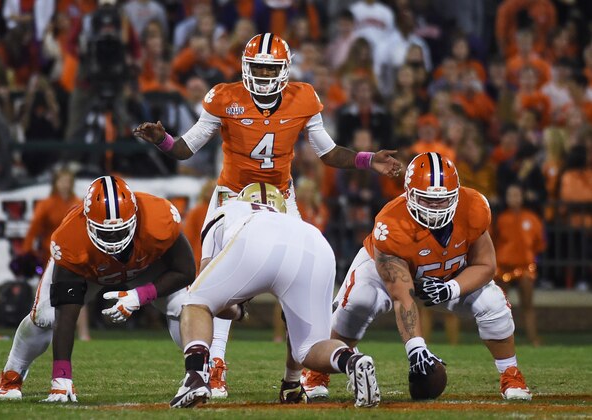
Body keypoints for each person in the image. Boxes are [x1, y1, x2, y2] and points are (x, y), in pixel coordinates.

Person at [133, 32, 402, 398]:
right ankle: (217, 367)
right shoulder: (225, 97)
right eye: (256, 66)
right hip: (231, 196)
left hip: (280, 199)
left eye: (268, 67)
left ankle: (291, 380)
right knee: (214, 282)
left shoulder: (303, 98)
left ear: (284, 70)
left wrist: (367, 160)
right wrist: (164, 140)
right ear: (245, 67)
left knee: (270, 289)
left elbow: (327, 151)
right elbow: (187, 148)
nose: (261, 73)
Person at [302, 152, 532, 401]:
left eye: (443, 200)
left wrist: (451, 289)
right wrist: (416, 348)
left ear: (456, 194)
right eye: (426, 199)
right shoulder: (392, 223)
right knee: (359, 300)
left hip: (445, 277)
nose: (435, 208)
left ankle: (511, 373)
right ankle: (317, 373)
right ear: (409, 194)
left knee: (494, 304)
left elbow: (486, 265)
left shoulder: (473, 207)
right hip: (384, 274)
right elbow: (403, 295)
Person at [170, 182, 380, 408]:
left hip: (256, 237)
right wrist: (291, 381)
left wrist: (238, 311)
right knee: (308, 347)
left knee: (195, 301)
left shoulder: (226, 210)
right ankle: (351, 361)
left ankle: (196, 378)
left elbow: (207, 292)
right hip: (315, 244)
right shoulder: (292, 218)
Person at [0, 176, 196, 401]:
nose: (113, 239)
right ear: (87, 220)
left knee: (184, 306)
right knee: (45, 316)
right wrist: (61, 378)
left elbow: (185, 271)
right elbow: (67, 312)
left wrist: (140, 296)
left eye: (120, 230)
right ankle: (12, 374)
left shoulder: (159, 218)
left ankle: (201, 373)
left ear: (135, 216)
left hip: (143, 267)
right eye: (104, 231)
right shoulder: (71, 238)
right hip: (89, 271)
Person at [16, 168, 90, 341]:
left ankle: (84, 333)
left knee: (79, 293)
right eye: (62, 181)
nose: (65, 184)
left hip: (72, 256)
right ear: (56, 183)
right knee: (42, 291)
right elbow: (34, 229)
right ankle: (36, 328)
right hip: (49, 255)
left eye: (68, 181)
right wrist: (27, 251)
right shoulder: (47, 204)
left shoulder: (78, 203)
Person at [494, 184, 545, 346]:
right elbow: (494, 241)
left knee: (528, 305)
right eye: (511, 195)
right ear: (506, 198)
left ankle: (533, 339)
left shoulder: (532, 218)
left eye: (517, 195)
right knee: (501, 307)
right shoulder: (500, 219)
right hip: (503, 267)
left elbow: (539, 243)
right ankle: (502, 340)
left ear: (522, 198)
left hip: (524, 267)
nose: (514, 198)